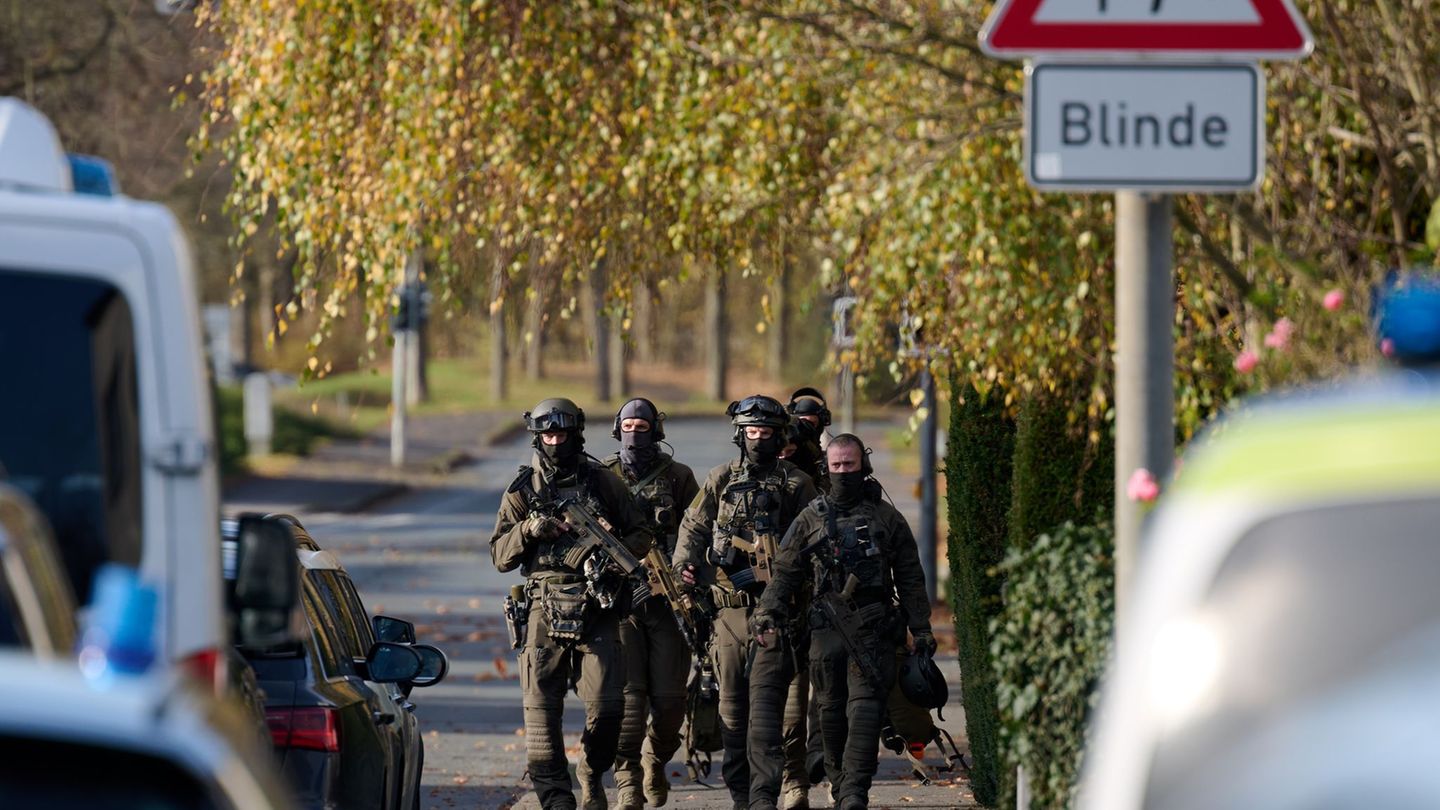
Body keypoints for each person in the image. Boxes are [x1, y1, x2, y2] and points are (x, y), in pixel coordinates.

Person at [751, 434, 935, 810]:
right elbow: (785, 571)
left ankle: (854, 791)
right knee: (831, 712)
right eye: (836, 466)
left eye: (849, 465)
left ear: (862, 465)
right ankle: (838, 781)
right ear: (826, 468)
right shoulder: (811, 517)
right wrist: (768, 611)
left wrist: (922, 627)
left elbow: (910, 575)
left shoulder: (887, 517)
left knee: (866, 711)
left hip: (875, 629)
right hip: (826, 632)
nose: (842, 472)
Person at [490, 398, 652, 810]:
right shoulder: (522, 490)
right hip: (544, 607)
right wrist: (528, 529)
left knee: (610, 708)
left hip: (597, 604)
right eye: (548, 435)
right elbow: (500, 556)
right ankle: (557, 802)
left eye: (562, 434)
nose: (555, 442)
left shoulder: (603, 482)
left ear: (576, 434)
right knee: (542, 720)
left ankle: (592, 773)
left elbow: (640, 535)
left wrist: (608, 554)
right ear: (538, 437)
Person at [672, 395, 817, 810]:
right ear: (740, 435)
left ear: (779, 436)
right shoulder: (719, 480)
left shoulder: (796, 484)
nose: (758, 439)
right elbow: (693, 528)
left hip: (783, 611)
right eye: (751, 432)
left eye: (766, 432)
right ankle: (743, 794)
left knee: (787, 711)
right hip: (731, 613)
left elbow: (817, 540)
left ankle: (790, 784)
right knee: (733, 711)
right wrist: (685, 565)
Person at [602, 398, 701, 810]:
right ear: (616, 428)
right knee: (628, 698)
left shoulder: (678, 477)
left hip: (668, 604)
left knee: (669, 703)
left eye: (642, 425)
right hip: (620, 604)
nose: (635, 432)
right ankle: (627, 781)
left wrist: (691, 569)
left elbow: (698, 530)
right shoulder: (602, 476)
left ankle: (654, 759)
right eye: (628, 424)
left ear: (656, 430)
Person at [784, 388, 832, 494]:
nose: (805, 428)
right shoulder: (785, 450)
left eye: (810, 423)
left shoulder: (829, 461)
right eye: (800, 423)